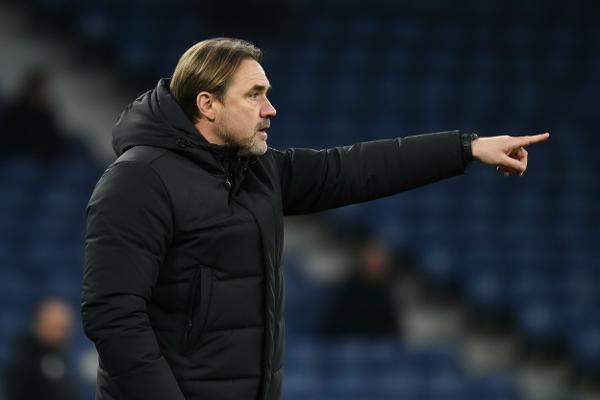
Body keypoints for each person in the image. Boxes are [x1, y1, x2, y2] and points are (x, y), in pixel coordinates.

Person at [81, 37, 550, 400]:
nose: (270, 109)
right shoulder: (139, 180)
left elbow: (356, 168)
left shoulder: (257, 171)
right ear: (208, 104)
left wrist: (466, 148)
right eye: (254, 96)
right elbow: (113, 316)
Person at [4, 297, 80, 400]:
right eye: (54, 326)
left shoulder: (60, 357)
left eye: (64, 328)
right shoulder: (23, 359)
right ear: (38, 323)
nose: (59, 334)